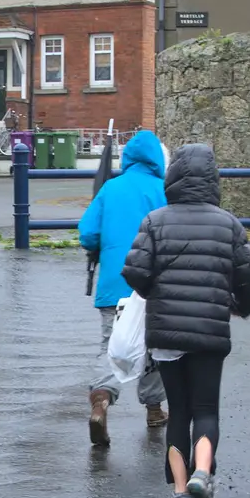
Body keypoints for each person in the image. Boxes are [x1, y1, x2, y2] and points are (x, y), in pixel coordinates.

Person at [122, 143, 250, 498]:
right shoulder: (227, 223)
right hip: (209, 334)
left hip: (166, 336)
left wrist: (157, 294)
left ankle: (182, 493)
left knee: (179, 411)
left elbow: (135, 272)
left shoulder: (155, 220)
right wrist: (238, 307)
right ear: (212, 180)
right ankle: (203, 471)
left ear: (173, 178)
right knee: (205, 410)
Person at [78, 130, 168, 448]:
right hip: (153, 284)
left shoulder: (110, 189)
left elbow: (88, 233)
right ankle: (154, 408)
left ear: (127, 158)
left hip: (114, 283)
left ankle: (101, 399)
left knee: (112, 345)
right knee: (154, 347)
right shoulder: (164, 190)